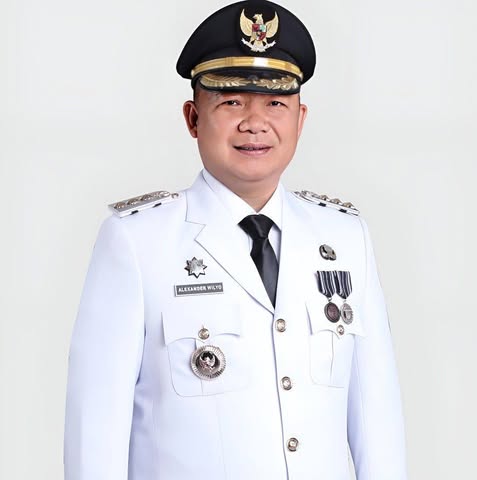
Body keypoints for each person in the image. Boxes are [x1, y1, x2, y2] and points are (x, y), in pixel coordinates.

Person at [64, 1, 408, 479]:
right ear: (192, 118)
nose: (254, 122)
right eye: (231, 102)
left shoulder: (346, 238)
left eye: (275, 103)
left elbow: (377, 420)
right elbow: (95, 432)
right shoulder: (137, 242)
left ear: (300, 119)